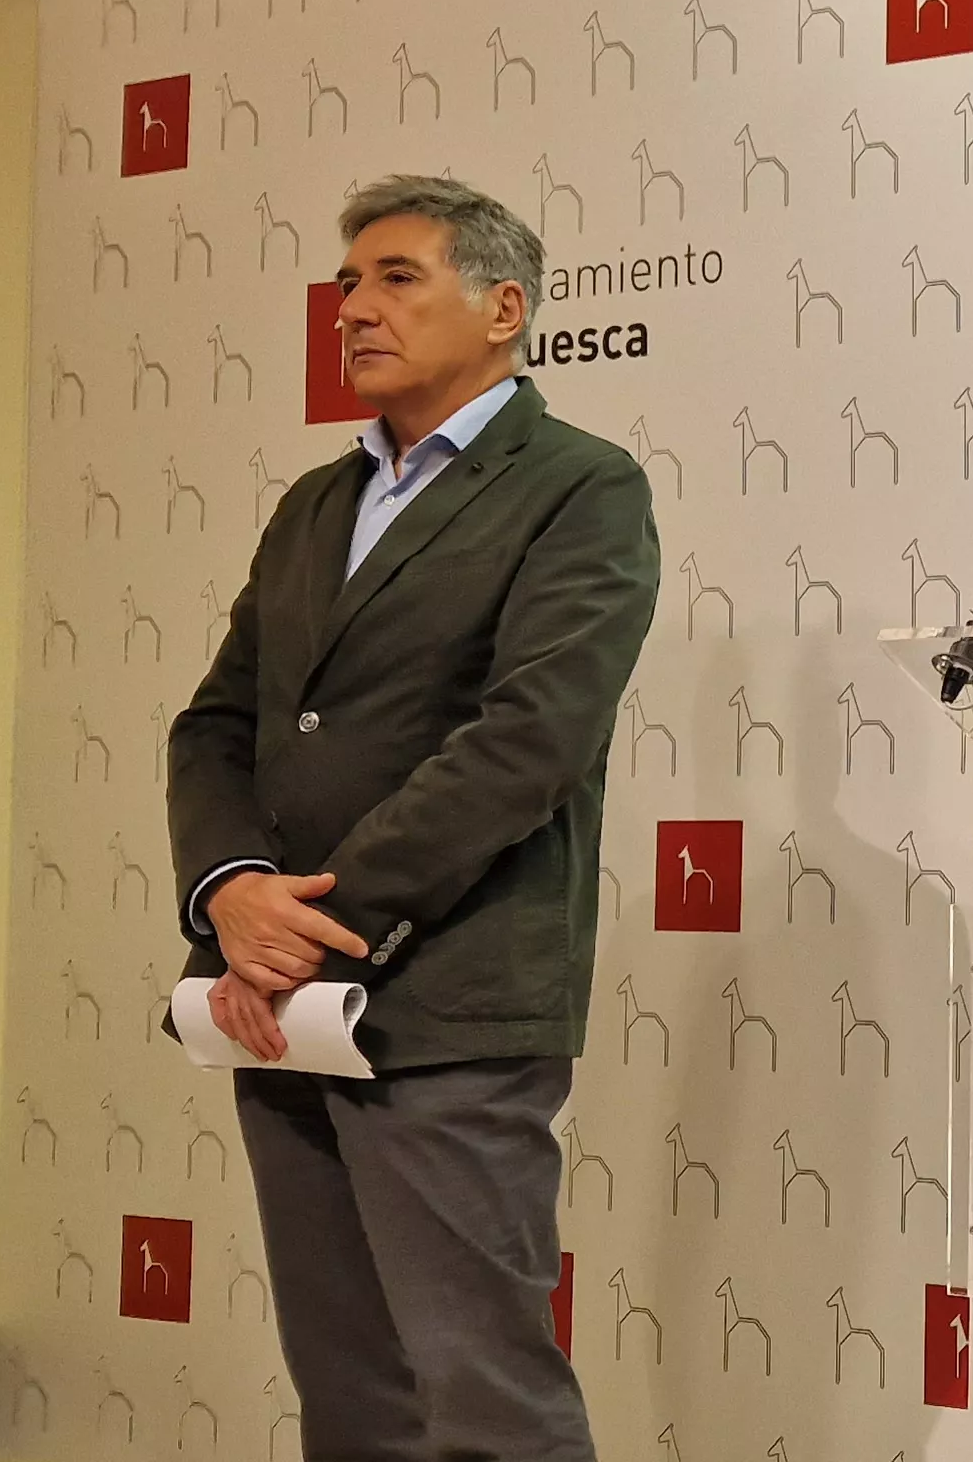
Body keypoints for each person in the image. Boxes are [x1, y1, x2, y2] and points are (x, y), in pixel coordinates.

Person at [168, 174, 661, 1462]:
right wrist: (231, 892)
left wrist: (316, 924)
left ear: (504, 310)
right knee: (353, 1398)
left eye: (398, 278)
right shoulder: (315, 504)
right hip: (276, 1001)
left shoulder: (579, 487)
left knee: (487, 1398)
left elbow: (529, 741)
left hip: (447, 1000)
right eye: (346, 286)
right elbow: (219, 726)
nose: (355, 310)